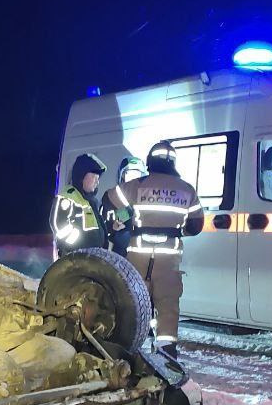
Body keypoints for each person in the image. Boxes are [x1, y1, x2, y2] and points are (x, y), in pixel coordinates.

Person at [107, 142, 205, 358]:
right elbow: (196, 226)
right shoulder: (186, 189)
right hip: (168, 260)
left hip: (138, 257)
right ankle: (166, 351)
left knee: (133, 300)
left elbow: (110, 199)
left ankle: (125, 347)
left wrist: (127, 219)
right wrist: (177, 231)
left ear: (151, 161)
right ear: (173, 162)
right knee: (167, 303)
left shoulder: (138, 185)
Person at [51, 153, 108, 254]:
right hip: (76, 260)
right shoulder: (68, 197)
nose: (97, 182)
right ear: (82, 176)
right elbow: (58, 225)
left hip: (94, 257)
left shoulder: (92, 202)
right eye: (94, 177)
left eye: (98, 179)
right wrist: (76, 247)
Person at [101, 156, 148, 256]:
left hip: (141, 253)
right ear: (122, 176)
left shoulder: (147, 200)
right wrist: (114, 227)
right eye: (129, 173)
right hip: (117, 254)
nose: (134, 178)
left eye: (137, 174)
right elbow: (104, 227)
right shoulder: (110, 198)